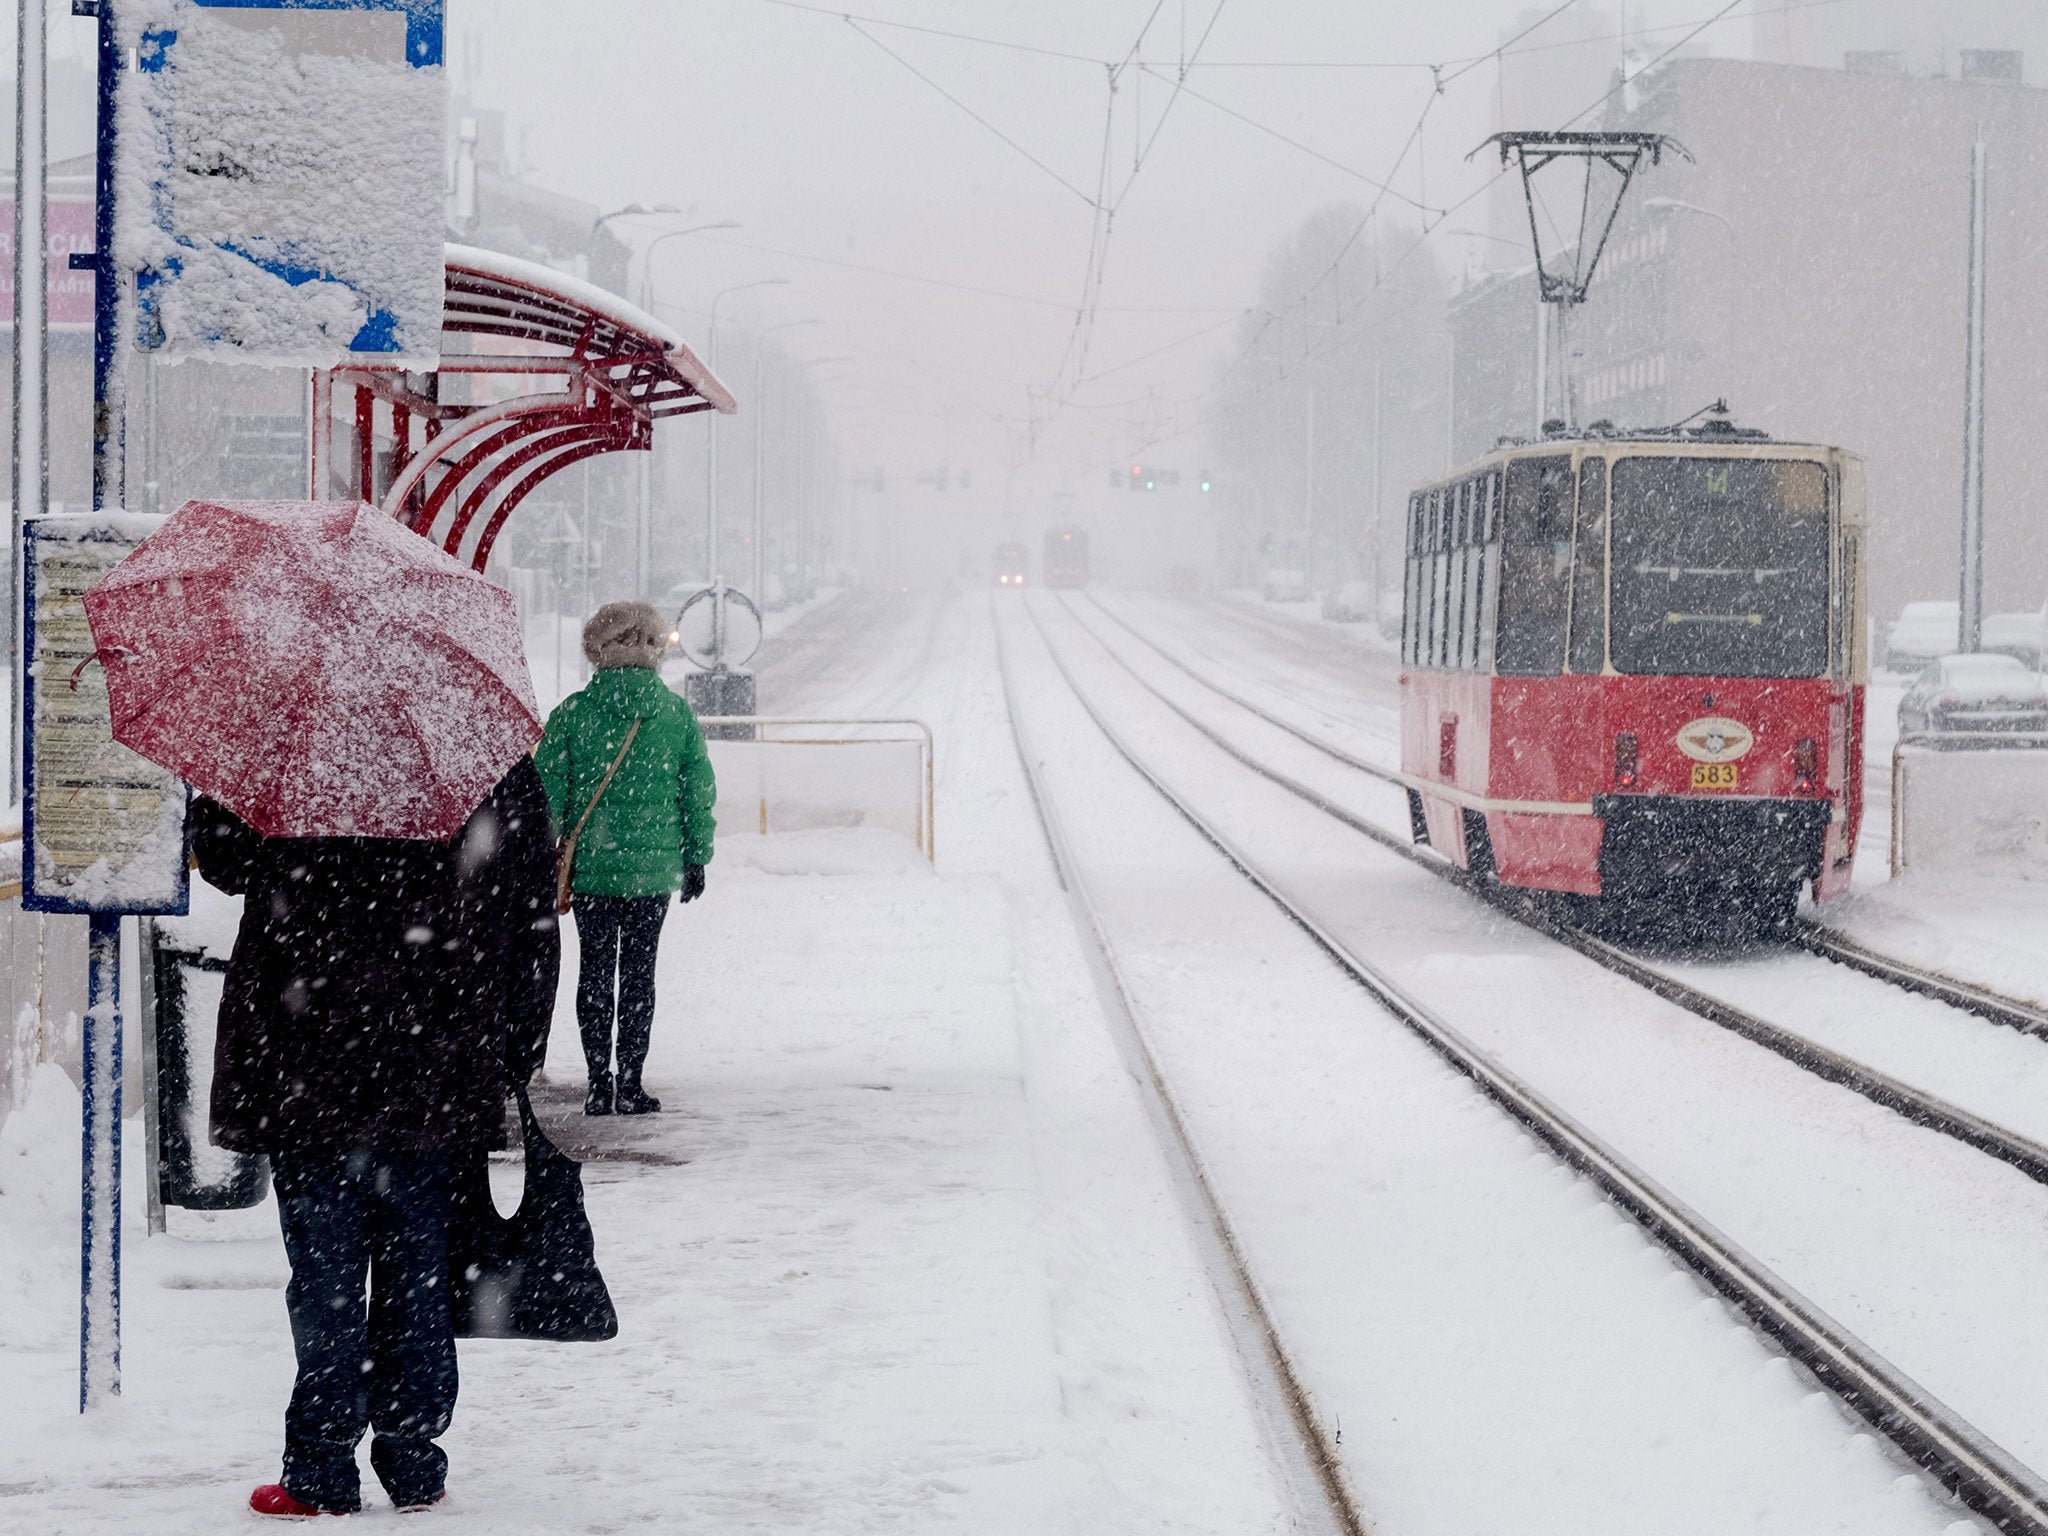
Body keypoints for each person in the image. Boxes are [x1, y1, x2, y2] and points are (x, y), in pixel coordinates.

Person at [194, 756, 559, 1519]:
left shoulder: (289, 727)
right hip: (432, 1052)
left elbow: (225, 858)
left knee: (326, 1276)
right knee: (419, 1264)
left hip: (308, 1052)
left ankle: (322, 1466)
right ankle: (414, 1456)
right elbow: (528, 903)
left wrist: (219, 796)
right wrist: (519, 1042)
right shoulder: (476, 740)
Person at [535, 600, 717, 1117]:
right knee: (639, 975)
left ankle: (598, 1082)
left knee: (593, 972)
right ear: (656, 650)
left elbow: (548, 792)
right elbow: (696, 790)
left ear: (597, 649)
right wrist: (696, 856)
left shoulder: (572, 714)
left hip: (593, 868)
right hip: (652, 871)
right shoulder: (675, 714)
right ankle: (632, 1083)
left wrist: (548, 852)